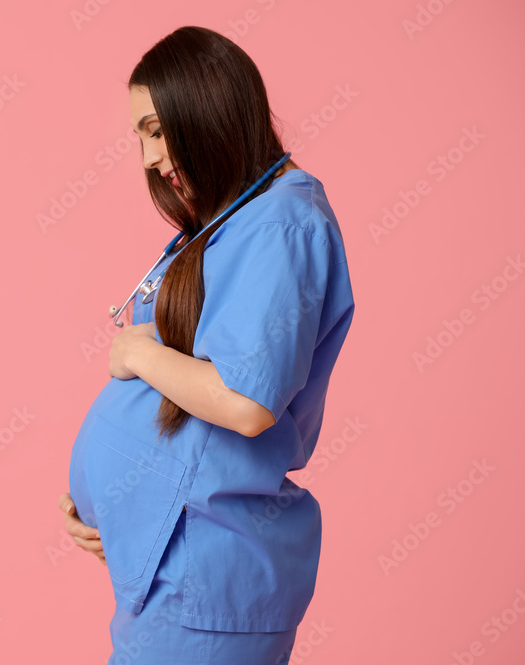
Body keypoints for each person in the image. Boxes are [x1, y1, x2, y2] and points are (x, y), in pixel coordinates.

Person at [58, 26, 355, 663]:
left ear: (208, 108)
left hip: (205, 578)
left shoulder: (282, 222)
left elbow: (245, 403)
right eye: (140, 134)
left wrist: (139, 353)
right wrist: (110, 504)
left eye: (156, 128)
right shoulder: (236, 221)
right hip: (168, 566)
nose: (147, 156)